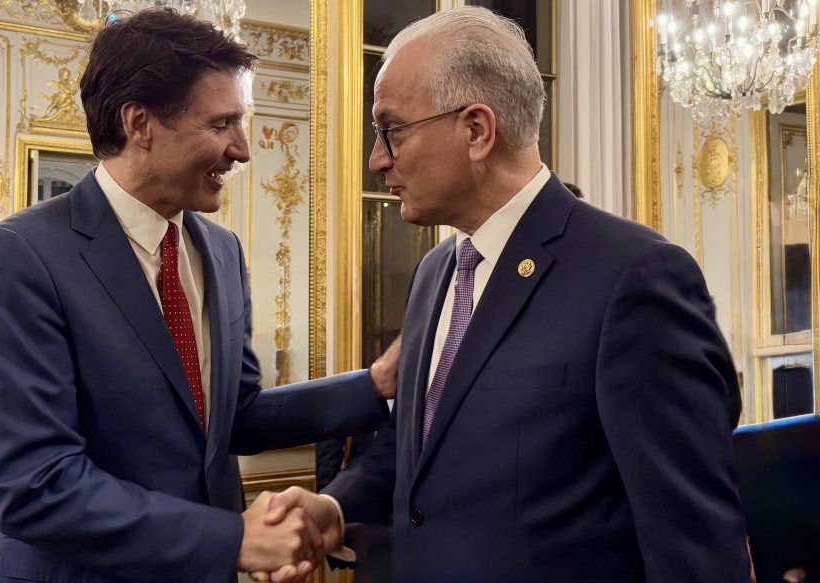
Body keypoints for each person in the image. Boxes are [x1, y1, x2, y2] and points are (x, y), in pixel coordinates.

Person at [265, 6, 751, 582]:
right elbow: (418, 449)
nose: (377, 160)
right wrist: (335, 506)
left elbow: (694, 544)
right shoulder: (435, 274)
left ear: (476, 130)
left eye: (391, 130)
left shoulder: (634, 277)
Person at [0, 9, 395, 583]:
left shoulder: (220, 251)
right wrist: (234, 538)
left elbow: (235, 417)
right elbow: (35, 486)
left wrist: (374, 385)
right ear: (140, 123)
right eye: (221, 125)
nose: (242, 150)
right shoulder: (18, 256)